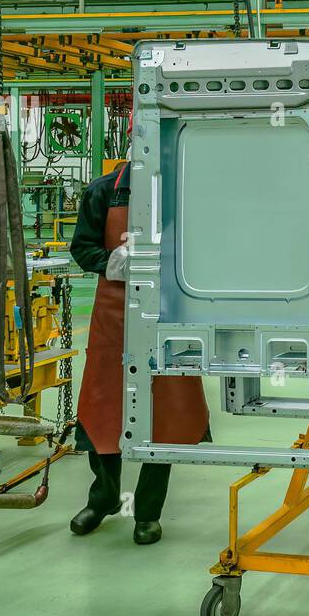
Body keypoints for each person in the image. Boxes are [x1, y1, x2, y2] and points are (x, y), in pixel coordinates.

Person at [69, 160, 209, 544]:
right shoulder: (103, 191)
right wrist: (117, 263)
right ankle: (105, 498)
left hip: (169, 313)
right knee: (102, 410)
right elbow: (82, 249)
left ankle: (147, 512)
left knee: (167, 413)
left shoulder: (184, 191)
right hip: (115, 317)